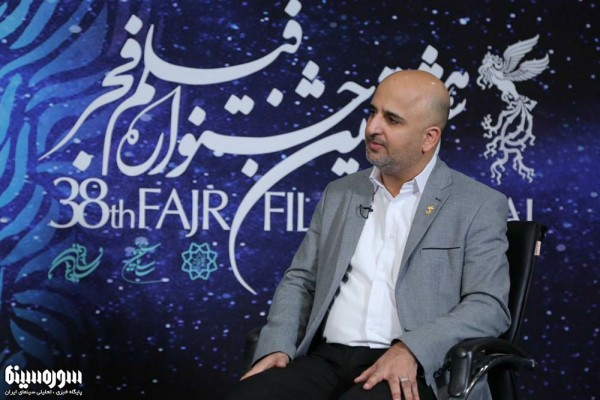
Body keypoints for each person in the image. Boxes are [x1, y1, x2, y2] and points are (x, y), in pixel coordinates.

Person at [226, 70, 510, 400]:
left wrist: (412, 348)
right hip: (326, 359)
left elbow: (488, 306)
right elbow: (301, 280)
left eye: (392, 120)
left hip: (415, 368)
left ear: (429, 138)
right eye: (372, 112)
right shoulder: (340, 193)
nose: (372, 127)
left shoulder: (477, 204)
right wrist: (277, 345)